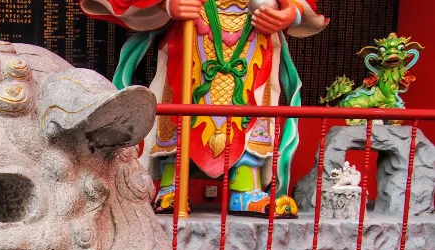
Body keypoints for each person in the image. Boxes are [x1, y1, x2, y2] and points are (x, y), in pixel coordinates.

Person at [80, 0, 327, 216]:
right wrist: (167, 5)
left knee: (252, 110)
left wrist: (288, 14)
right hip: (192, 35)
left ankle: (245, 185)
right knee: (181, 107)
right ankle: (172, 183)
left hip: (254, 39)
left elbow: (300, 6)